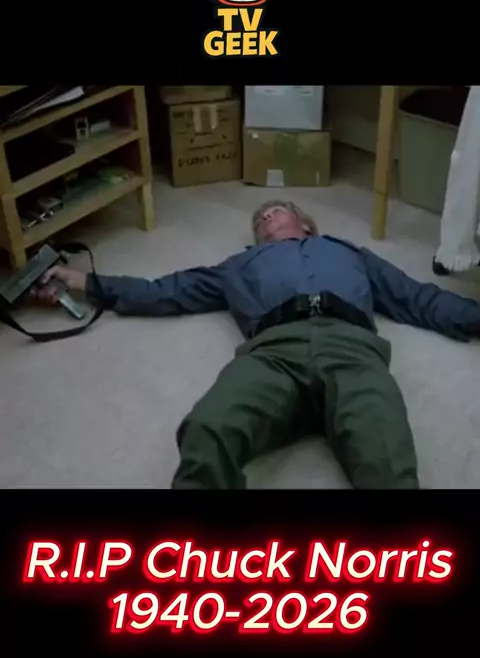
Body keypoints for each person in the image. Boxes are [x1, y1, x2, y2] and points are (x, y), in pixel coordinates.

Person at [34, 200, 480, 490]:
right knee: (207, 429)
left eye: (275, 211)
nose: (265, 218)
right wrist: (83, 281)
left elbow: (416, 297)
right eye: (259, 220)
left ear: (306, 223)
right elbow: (163, 290)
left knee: (387, 457)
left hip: (352, 351)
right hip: (272, 355)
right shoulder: (239, 265)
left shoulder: (348, 251)